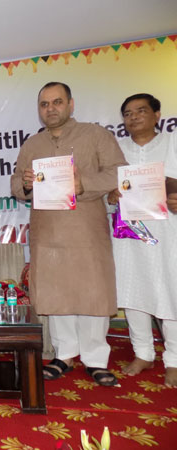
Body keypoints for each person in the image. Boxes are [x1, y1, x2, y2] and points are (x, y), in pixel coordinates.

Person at [10, 82, 127, 386]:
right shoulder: (32, 145)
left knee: (92, 291)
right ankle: (64, 355)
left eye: (57, 102)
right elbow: (16, 185)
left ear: (71, 104)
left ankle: (95, 359)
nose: (50, 109)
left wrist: (83, 184)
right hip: (47, 230)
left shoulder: (95, 134)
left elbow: (118, 172)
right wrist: (26, 184)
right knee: (56, 291)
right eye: (44, 104)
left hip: (86, 227)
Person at [107, 93, 177, 388]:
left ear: (157, 114)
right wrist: (111, 195)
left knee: (170, 290)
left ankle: (174, 359)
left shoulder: (172, 142)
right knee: (132, 288)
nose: (133, 117)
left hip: (167, 230)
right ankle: (143, 353)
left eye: (140, 111)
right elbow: (107, 190)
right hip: (129, 231)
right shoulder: (117, 149)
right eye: (127, 113)